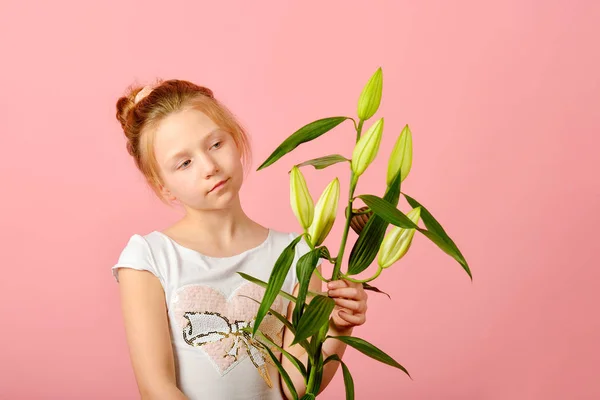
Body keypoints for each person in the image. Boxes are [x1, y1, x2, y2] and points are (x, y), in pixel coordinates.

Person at [112, 79, 369, 399]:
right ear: (162, 184)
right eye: (185, 163)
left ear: (236, 139)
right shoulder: (149, 258)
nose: (209, 167)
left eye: (215, 144)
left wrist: (337, 328)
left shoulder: (298, 255)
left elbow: (293, 388)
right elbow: (156, 388)